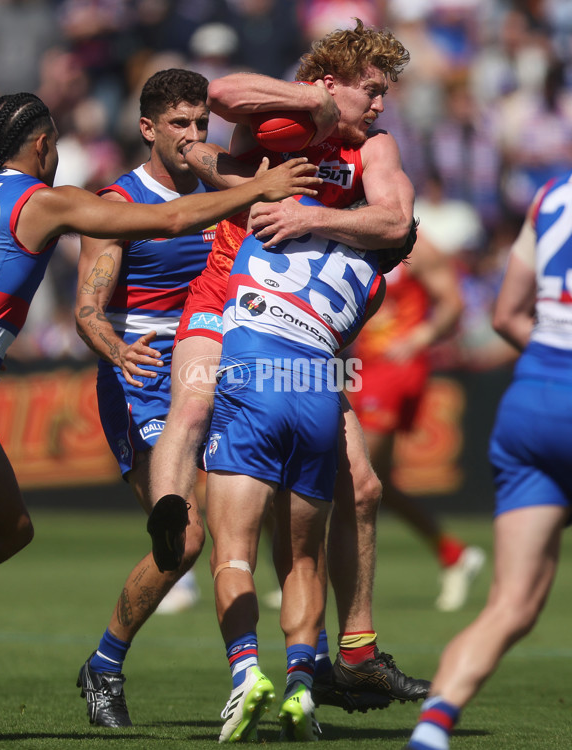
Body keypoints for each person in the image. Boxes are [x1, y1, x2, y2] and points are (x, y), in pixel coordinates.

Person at [147, 18, 430, 715]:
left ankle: (352, 654)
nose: (380, 106)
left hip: (305, 326)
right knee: (190, 408)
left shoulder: (376, 146)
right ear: (331, 82)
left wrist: (310, 219)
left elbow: (397, 223)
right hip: (228, 291)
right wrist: (309, 107)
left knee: (360, 486)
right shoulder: (285, 108)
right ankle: (170, 531)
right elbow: (221, 94)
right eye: (371, 91)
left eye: (385, 94)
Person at [0, 91, 320, 583]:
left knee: (9, 529)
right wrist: (261, 186)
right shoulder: (47, 201)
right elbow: (170, 219)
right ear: (44, 146)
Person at [71, 68, 323, 727]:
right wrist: (115, 348)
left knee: (271, 507)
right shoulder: (116, 202)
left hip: (223, 363)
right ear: (149, 129)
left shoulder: (229, 187)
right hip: (145, 373)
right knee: (182, 539)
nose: (191, 136)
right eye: (178, 125)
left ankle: (287, 667)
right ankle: (103, 666)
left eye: (199, 125)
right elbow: (89, 309)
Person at [205, 195, 387, 742]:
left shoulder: (285, 205)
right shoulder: (375, 283)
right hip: (316, 392)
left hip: (253, 373)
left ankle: (245, 674)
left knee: (233, 552)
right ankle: (302, 686)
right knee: (303, 560)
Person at [405, 173, 572, 749]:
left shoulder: (553, 194)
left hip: (531, 403)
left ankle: (432, 728)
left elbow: (506, 316)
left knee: (510, 606)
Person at [346, 229, 486, 612]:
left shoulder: (419, 247)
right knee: (377, 480)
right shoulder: (351, 232)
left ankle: (315, 572)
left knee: (355, 474)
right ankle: (453, 553)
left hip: (396, 368)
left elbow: (453, 303)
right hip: (364, 366)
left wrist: (420, 338)